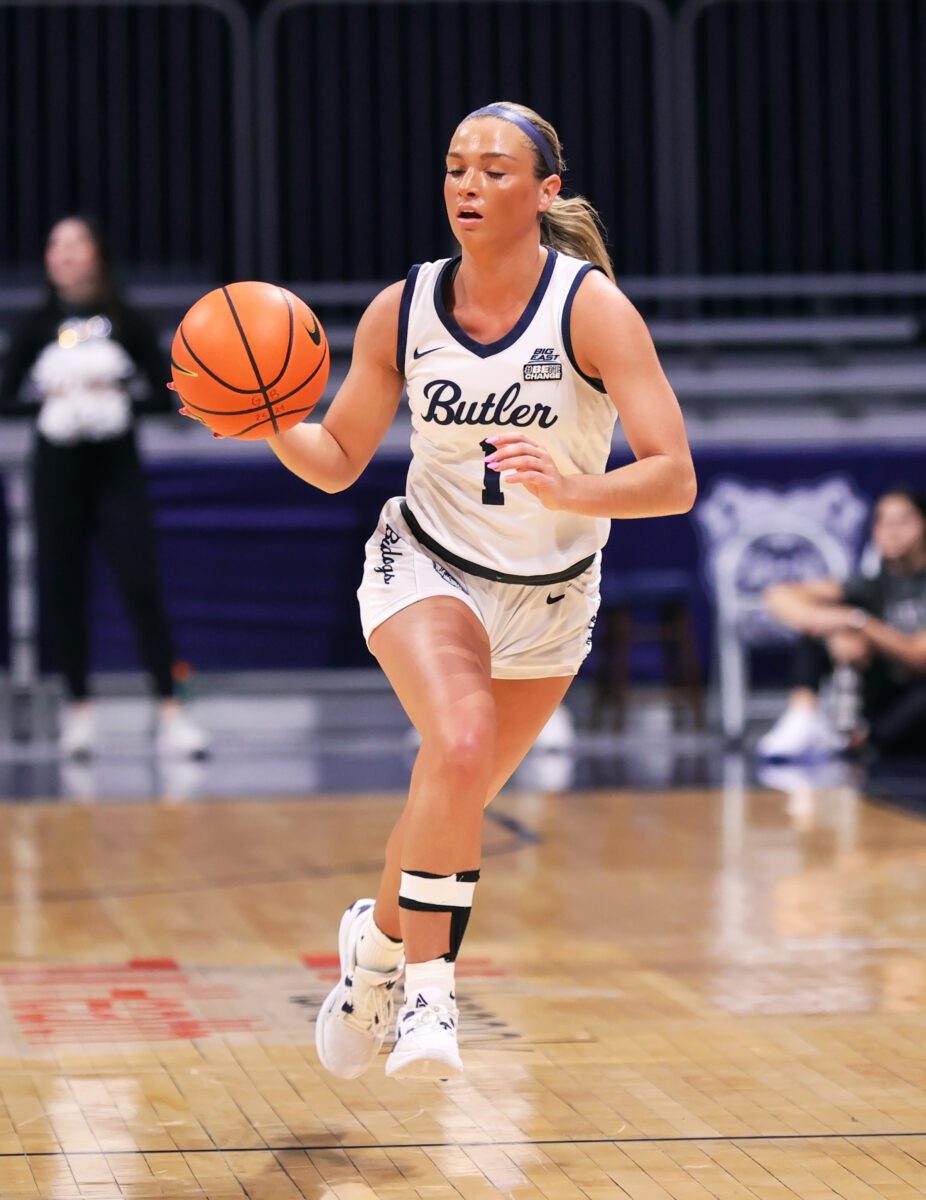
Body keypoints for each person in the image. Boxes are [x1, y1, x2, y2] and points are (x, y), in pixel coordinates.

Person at [183, 102, 696, 1080]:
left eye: (495, 170)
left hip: (550, 597)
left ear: (544, 192)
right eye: (457, 166)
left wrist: (570, 486)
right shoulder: (403, 309)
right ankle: (428, 1000)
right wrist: (262, 415)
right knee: (455, 741)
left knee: (448, 792)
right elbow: (337, 460)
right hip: (426, 565)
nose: (469, 184)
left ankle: (373, 952)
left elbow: (672, 476)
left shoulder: (589, 310)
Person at [0, 216, 209, 760]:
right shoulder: (36, 324)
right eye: (55, 245)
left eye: (76, 243)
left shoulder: (128, 320)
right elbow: (6, 396)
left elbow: (166, 397)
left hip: (116, 467)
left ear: (97, 254)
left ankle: (171, 710)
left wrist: (116, 393)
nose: (64, 253)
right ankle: (78, 711)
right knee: (64, 589)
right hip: (57, 470)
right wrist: (53, 398)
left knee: (140, 583)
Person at [758, 488, 926, 761]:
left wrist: (858, 623)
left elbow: (919, 657)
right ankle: (803, 716)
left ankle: (863, 737)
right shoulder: (870, 583)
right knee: (820, 628)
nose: (891, 531)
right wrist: (836, 626)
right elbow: (778, 596)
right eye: (883, 522)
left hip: (916, 695)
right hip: (882, 690)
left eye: (903, 521)